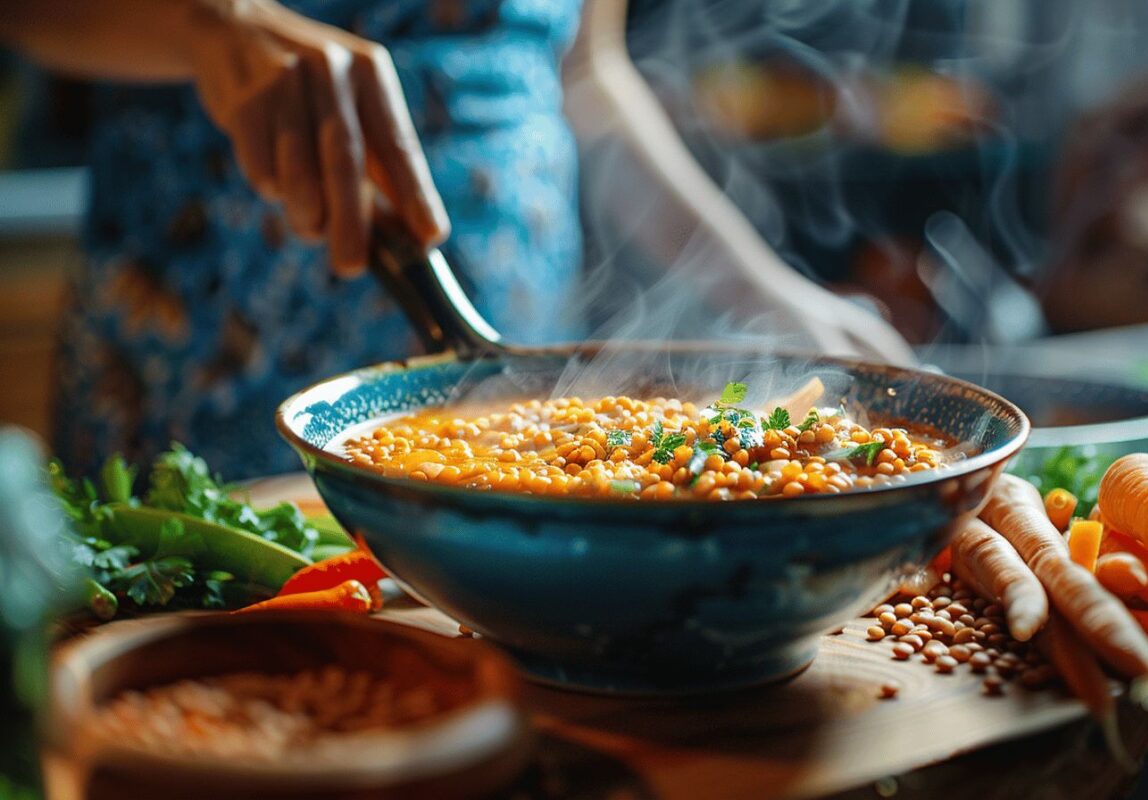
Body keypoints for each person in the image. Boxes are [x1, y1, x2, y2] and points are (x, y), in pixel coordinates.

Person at [1, 0, 913, 480]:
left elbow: (586, 76)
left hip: (503, 324)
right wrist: (213, 23)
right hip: (204, 322)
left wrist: (762, 286)